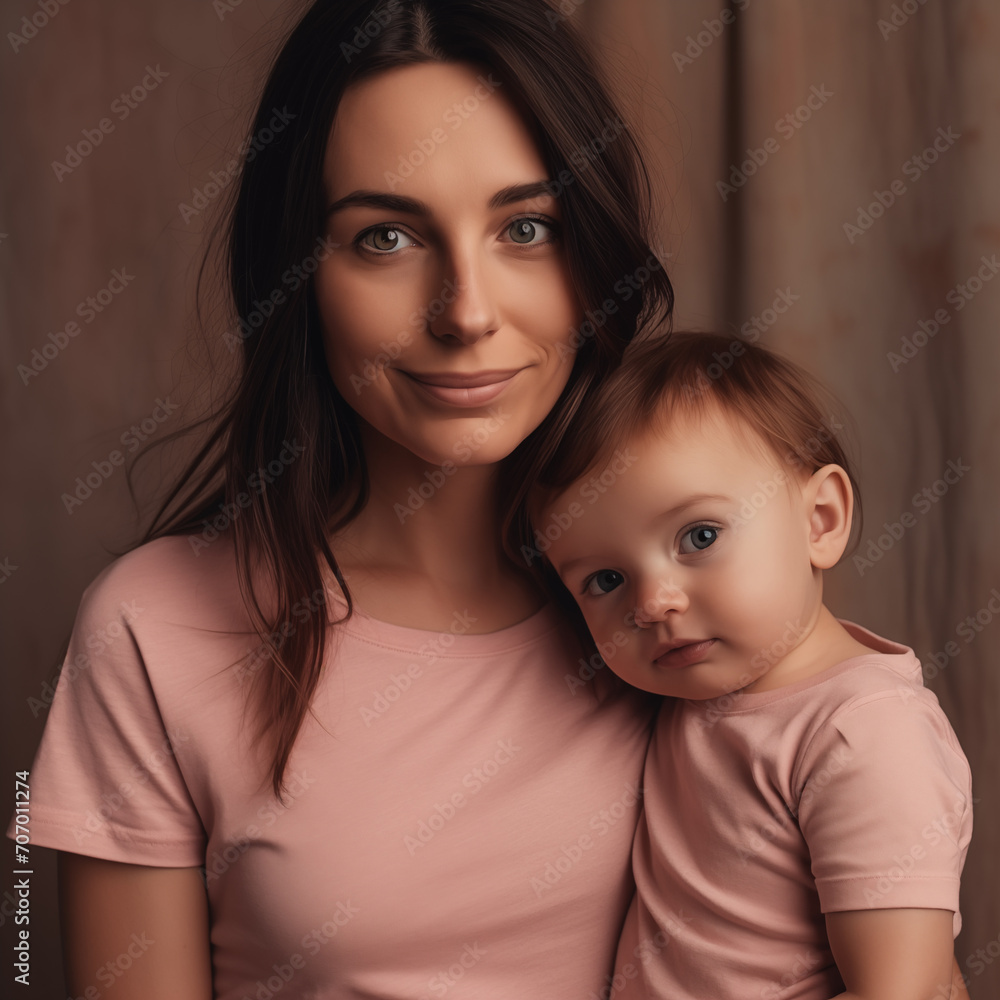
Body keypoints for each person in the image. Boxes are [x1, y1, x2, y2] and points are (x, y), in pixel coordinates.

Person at [8, 2, 674, 998]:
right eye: (386, 238)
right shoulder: (151, 628)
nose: (468, 312)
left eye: (525, 227)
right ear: (295, 274)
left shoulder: (695, 587)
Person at [526, 331, 974, 999]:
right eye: (605, 580)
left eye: (699, 537)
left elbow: (901, 989)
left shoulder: (864, 734)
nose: (652, 603)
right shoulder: (689, 696)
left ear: (819, 520)